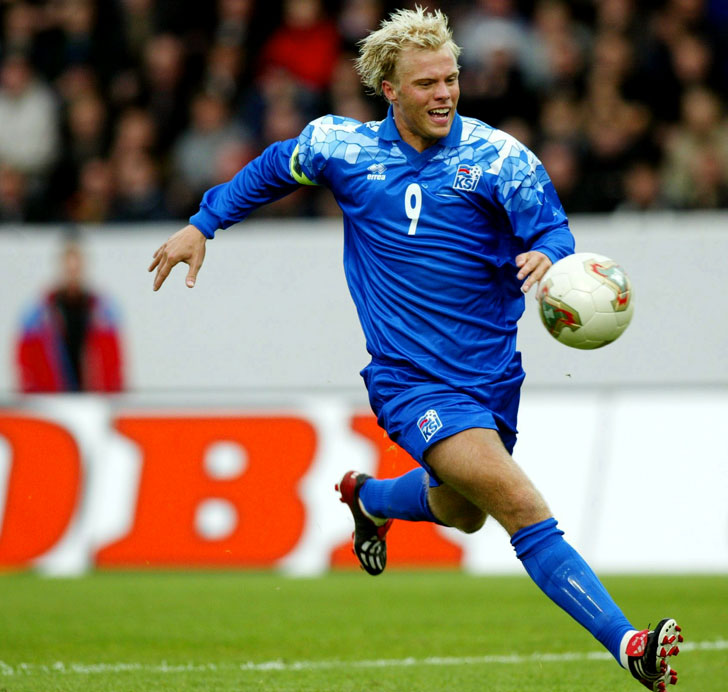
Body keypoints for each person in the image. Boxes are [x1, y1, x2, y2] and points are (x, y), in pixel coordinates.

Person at [149, 7, 682, 690]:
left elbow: (552, 232)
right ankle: (630, 645)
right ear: (390, 89)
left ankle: (369, 499)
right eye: (427, 83)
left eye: (451, 79)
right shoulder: (343, 149)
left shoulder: (500, 159)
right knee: (520, 504)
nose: (444, 94)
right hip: (411, 383)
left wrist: (548, 257)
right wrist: (204, 223)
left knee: (463, 512)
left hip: (491, 377)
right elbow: (275, 166)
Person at [17, 239, 124, 393]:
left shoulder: (102, 313)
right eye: (69, 270)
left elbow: (114, 363)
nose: (73, 275)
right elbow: (26, 362)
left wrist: (113, 395)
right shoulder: (40, 314)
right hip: (52, 397)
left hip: (93, 397)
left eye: (76, 269)